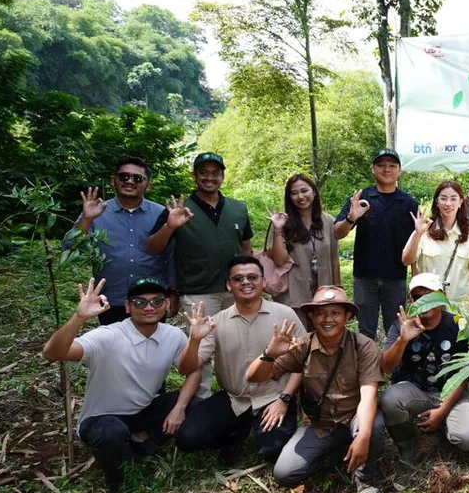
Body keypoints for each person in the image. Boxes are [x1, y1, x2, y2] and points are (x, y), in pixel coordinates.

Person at [42, 278, 211, 493]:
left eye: (157, 301)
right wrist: (79, 317)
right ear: (128, 306)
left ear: (167, 305)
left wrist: (179, 407)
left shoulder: (173, 335)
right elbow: (52, 353)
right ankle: (118, 480)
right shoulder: (109, 335)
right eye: (140, 302)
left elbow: (192, 371)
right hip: (103, 417)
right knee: (110, 433)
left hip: (143, 410)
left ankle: (140, 441)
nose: (149, 307)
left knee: (194, 406)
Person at [246, 286, 384, 493]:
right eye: (321, 313)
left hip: (354, 417)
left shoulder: (363, 346)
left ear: (347, 316)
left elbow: (368, 396)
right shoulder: (302, 346)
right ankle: (335, 454)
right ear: (312, 317)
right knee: (284, 474)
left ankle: (365, 478)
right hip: (319, 425)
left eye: (335, 313)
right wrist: (269, 354)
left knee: (372, 427)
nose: (328, 319)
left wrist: (363, 435)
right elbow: (254, 377)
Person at [175, 255, 306, 466]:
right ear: (229, 285)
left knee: (272, 451)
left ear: (263, 282)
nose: (246, 282)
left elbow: (302, 363)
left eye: (252, 277)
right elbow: (186, 368)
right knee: (187, 439)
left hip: (272, 397)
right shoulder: (216, 322)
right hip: (234, 398)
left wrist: (285, 399)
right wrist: (194, 340)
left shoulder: (285, 314)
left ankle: (263, 428)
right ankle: (235, 432)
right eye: (238, 279)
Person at [145, 151, 253, 396]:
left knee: (236, 345)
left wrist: (251, 281)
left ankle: (239, 395)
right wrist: (170, 226)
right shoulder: (179, 209)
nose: (209, 177)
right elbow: (152, 247)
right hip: (197, 293)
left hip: (234, 291)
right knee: (201, 349)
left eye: (215, 173)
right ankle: (200, 402)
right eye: (203, 172)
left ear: (223, 177)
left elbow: (246, 248)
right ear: (194, 176)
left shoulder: (238, 208)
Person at [63, 157, 174, 325]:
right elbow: (69, 249)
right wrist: (86, 220)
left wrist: (174, 293)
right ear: (113, 180)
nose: (129, 181)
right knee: (114, 348)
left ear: (148, 184)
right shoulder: (96, 212)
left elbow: (172, 256)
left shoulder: (162, 213)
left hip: (151, 301)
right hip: (112, 299)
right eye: (123, 176)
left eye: (137, 178)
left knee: (152, 348)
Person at [379, 273, 469, 461]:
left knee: (468, 439)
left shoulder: (458, 325)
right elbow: (385, 366)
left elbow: (464, 375)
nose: (424, 301)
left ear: (442, 297)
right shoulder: (402, 325)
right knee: (390, 399)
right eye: (418, 297)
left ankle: (441, 430)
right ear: (411, 300)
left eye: (430, 295)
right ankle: (407, 446)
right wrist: (402, 340)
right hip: (416, 392)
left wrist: (442, 412)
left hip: (451, 393)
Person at [333, 148, 418, 339]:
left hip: (396, 276)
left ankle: (394, 366)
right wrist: (351, 218)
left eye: (392, 165)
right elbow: (337, 233)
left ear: (399, 170)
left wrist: (415, 279)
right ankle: (367, 366)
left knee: (395, 328)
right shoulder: (361, 198)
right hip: (364, 275)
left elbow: (415, 242)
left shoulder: (408, 203)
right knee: (365, 330)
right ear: (373, 169)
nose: (386, 169)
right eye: (381, 165)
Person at [402, 180, 469, 306]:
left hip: (461, 304)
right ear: (437, 202)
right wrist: (417, 234)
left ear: (460, 202)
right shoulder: (424, 231)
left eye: (453, 199)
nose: (448, 203)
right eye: (443, 198)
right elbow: (406, 260)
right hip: (428, 303)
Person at [266, 173, 341, 315]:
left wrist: (338, 289)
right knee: (296, 336)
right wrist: (277, 230)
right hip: (294, 295)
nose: (300, 197)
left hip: (324, 294)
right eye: (294, 193)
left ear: (313, 191)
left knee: (322, 335)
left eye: (304, 191)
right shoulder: (283, 222)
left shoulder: (328, 221)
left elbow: (334, 259)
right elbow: (279, 260)